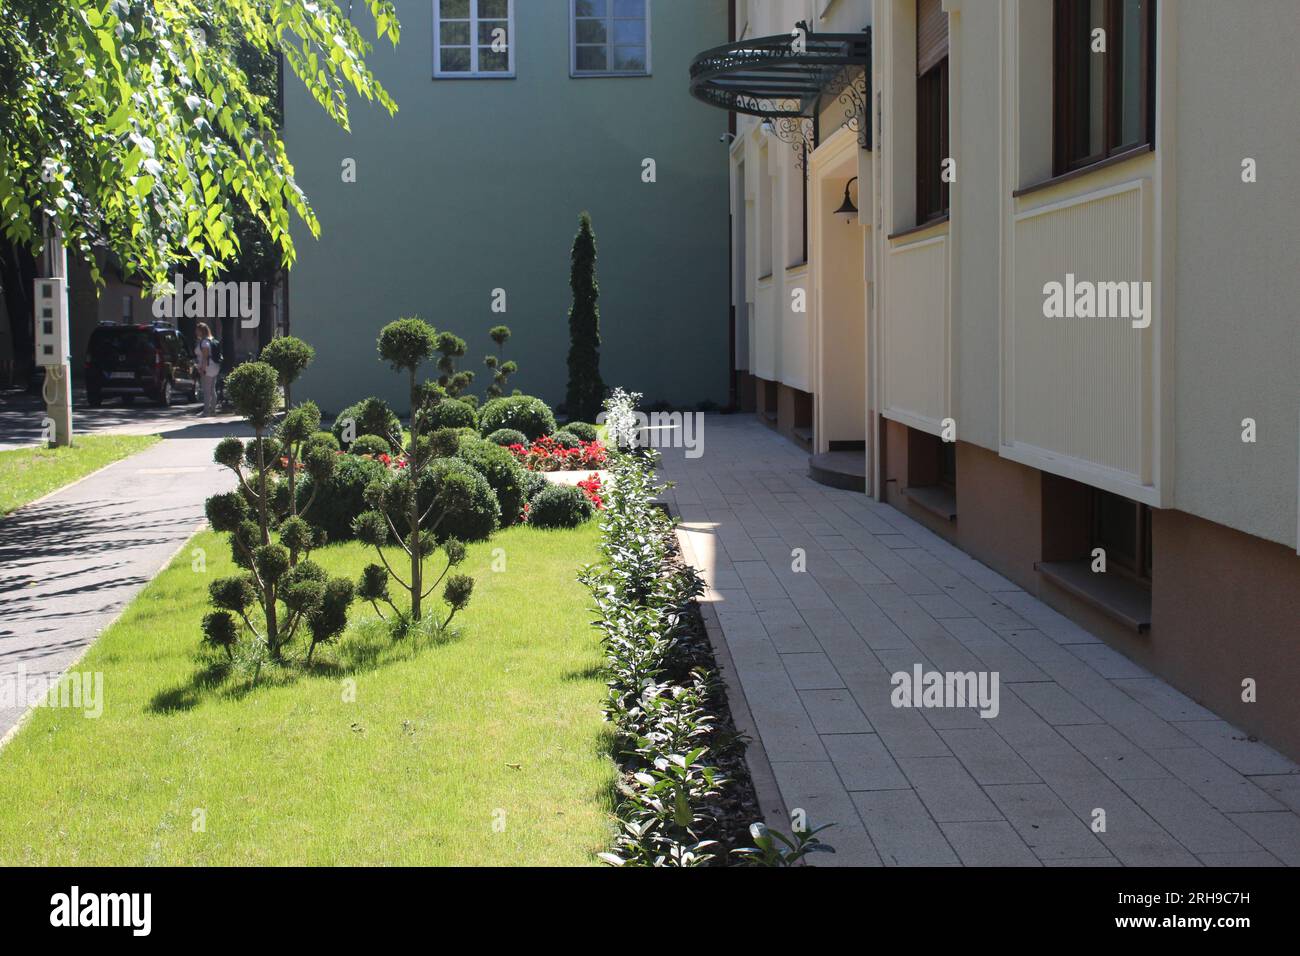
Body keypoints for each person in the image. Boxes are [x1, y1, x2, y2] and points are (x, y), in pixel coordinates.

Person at [195, 322, 220, 415]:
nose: (196, 332)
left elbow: (205, 357)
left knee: (207, 391)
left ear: (201, 331)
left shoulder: (205, 342)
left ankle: (206, 411)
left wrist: (203, 369)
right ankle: (213, 410)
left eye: (197, 330)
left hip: (208, 367)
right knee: (212, 389)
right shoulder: (211, 340)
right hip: (215, 367)